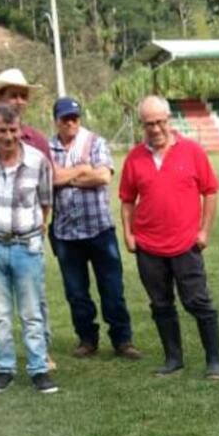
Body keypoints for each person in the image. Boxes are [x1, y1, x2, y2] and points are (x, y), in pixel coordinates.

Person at [118, 95, 219, 380]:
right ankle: (173, 359)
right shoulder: (134, 158)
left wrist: (204, 231)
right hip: (148, 247)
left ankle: (214, 360)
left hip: (185, 244)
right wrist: (128, 234)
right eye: (148, 124)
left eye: (160, 122)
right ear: (142, 125)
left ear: (169, 119)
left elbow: (210, 191)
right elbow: (127, 199)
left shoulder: (192, 151)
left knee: (197, 302)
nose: (155, 129)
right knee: (161, 304)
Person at [0, 105, 58, 395]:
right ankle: (4, 368)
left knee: (32, 312)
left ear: (21, 129)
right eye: (2, 130)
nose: (8, 136)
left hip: (26, 246)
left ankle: (39, 369)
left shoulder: (38, 160)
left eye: (13, 130)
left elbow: (45, 201)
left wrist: (37, 227)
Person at [48, 95, 140, 361]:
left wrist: (66, 176)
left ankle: (122, 340)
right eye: (65, 119)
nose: (70, 123)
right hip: (65, 233)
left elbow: (103, 176)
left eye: (74, 118)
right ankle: (87, 339)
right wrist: (81, 169)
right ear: (56, 121)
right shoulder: (47, 148)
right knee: (76, 292)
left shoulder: (95, 141)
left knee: (112, 289)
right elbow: (49, 178)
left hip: (100, 230)